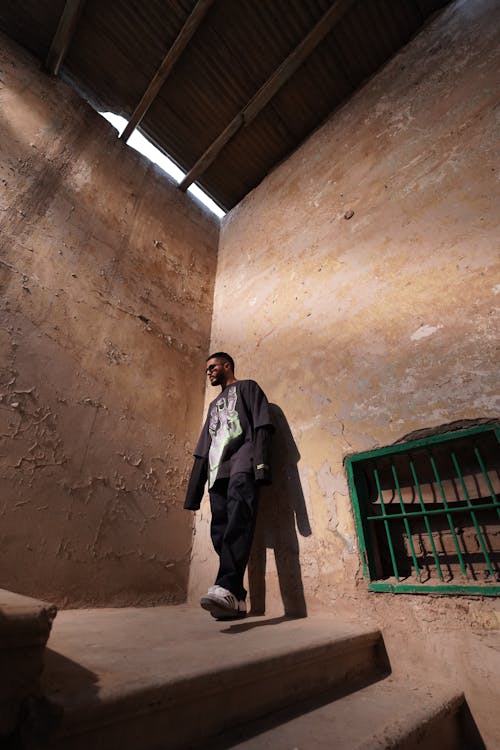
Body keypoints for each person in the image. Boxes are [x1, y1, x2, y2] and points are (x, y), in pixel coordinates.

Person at [184, 352, 273, 619]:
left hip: (242, 466)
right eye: (207, 369)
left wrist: (261, 466)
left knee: (238, 524)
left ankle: (225, 586)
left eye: (212, 367)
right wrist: (194, 492)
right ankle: (237, 600)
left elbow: (262, 425)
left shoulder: (248, 387)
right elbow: (203, 449)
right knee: (220, 533)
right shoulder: (213, 406)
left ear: (227, 365)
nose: (209, 372)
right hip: (216, 473)